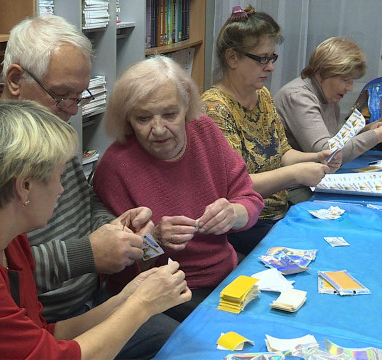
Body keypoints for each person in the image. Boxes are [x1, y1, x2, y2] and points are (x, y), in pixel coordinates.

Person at [0, 15, 180, 358]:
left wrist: (117, 228)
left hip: (74, 308)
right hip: (48, 316)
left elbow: (83, 202)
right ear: (16, 79)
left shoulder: (49, 133)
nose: (72, 111)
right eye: (62, 95)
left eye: (80, 96)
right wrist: (90, 255)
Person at [0, 101, 191, 359]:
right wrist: (140, 306)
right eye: (58, 176)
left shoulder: (7, 239)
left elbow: (42, 335)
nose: (62, 189)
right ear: (24, 186)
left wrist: (126, 299)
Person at [92, 55, 265, 322]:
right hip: (169, 291)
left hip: (226, 273)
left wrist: (234, 213)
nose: (159, 129)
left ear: (187, 104)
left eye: (170, 114)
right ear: (127, 118)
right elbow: (119, 271)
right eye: (143, 118)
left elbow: (250, 199)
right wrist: (155, 241)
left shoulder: (204, 131)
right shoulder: (115, 167)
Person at [201, 5, 341, 255]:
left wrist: (316, 157)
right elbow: (235, 187)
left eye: (272, 58)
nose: (271, 67)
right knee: (318, 251)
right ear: (232, 58)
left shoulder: (261, 95)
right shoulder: (213, 108)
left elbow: (282, 152)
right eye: (262, 59)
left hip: (277, 212)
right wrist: (296, 174)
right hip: (244, 225)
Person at [274, 37, 382, 166]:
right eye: (345, 80)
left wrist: (366, 131)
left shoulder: (327, 94)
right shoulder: (298, 97)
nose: (350, 88)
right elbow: (328, 154)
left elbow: (335, 143)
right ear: (322, 73)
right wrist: (377, 135)